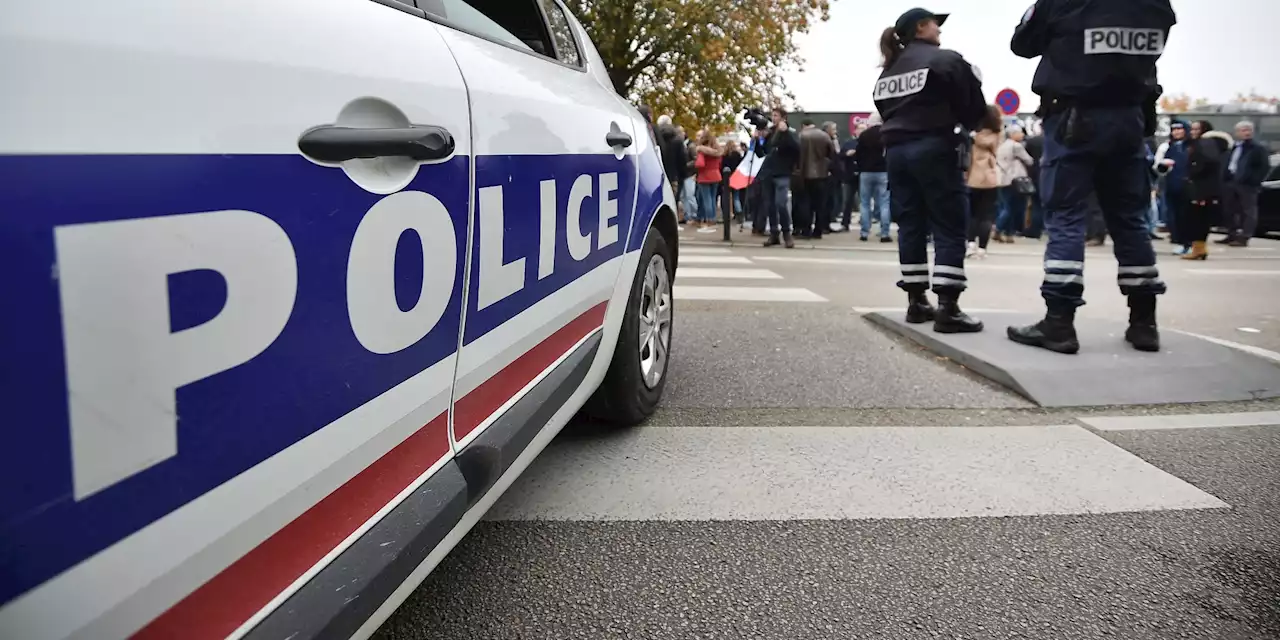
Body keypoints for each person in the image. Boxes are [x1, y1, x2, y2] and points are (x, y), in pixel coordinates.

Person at [1006, 0, 1176, 355]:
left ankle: (1059, 323)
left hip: (1073, 120)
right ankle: (1144, 323)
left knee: (1066, 217)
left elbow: (1022, 44)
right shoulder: (1155, 4)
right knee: (1131, 220)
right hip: (1130, 121)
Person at [873, 8, 987, 333]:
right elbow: (974, 110)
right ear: (922, 27)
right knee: (949, 225)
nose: (939, 29)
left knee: (910, 224)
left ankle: (916, 301)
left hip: (896, 153)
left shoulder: (889, 72)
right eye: (936, 24)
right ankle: (948, 308)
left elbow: (884, 110)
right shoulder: (946, 59)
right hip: (935, 146)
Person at [1181, 121, 1231, 259]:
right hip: (1209, 188)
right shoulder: (1214, 144)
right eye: (1192, 129)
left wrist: (1193, 171)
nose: (1193, 131)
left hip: (1202, 188)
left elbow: (1208, 162)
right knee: (1200, 219)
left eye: (1196, 129)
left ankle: (1199, 250)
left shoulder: (1205, 143)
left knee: (1198, 219)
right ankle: (1199, 248)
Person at [752, 107, 801, 247]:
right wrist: (756, 141)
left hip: (782, 172)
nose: (773, 118)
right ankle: (774, 233)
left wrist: (785, 132)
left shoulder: (790, 133)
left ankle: (786, 233)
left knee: (781, 203)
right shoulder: (771, 133)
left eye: (776, 115)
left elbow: (797, 148)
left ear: (783, 118)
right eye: (772, 115)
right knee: (770, 205)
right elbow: (762, 153)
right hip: (768, 173)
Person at [1219, 120, 1271, 247]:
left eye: (1248, 130)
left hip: (1247, 184)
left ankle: (1245, 236)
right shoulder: (1234, 147)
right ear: (1236, 132)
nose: (1246, 133)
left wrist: (1254, 180)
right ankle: (1231, 233)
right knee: (1229, 210)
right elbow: (1229, 162)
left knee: (1248, 211)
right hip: (1231, 181)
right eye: (1243, 130)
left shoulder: (1257, 148)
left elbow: (1264, 166)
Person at [966, 106, 1003, 258]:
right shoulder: (997, 135)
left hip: (972, 176)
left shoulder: (972, 135)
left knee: (972, 213)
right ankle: (982, 248)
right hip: (990, 177)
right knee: (986, 215)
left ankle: (970, 245)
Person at [1154, 120, 1190, 253]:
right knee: (1173, 215)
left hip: (1188, 186)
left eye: (1180, 129)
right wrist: (1163, 165)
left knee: (1186, 216)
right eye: (1174, 130)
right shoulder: (1168, 146)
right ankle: (1178, 240)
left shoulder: (1191, 146)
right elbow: (1158, 167)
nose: (1177, 132)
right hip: (1171, 185)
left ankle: (1188, 242)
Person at [996, 124, 1035, 241]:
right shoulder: (1016, 146)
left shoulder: (1001, 145)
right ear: (1013, 134)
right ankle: (998, 229)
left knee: (1005, 205)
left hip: (1002, 178)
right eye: (1019, 133)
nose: (1022, 135)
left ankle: (1008, 234)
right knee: (1011, 208)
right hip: (1015, 179)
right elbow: (1029, 160)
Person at [857, 114, 892, 242]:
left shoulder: (864, 135)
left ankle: (864, 232)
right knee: (884, 202)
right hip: (883, 171)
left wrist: (861, 167)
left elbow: (858, 153)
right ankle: (884, 233)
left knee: (865, 203)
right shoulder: (886, 134)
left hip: (866, 172)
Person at [799, 119, 835, 239]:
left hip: (805, 174)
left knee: (806, 203)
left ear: (804, 125)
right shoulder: (824, 136)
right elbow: (832, 153)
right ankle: (818, 230)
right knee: (820, 204)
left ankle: (806, 230)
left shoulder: (801, 136)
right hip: (822, 174)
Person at [693, 130, 725, 232]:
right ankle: (713, 218)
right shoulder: (717, 150)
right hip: (716, 175)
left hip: (705, 175)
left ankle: (708, 220)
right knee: (712, 198)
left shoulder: (701, 150)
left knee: (706, 199)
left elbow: (700, 164)